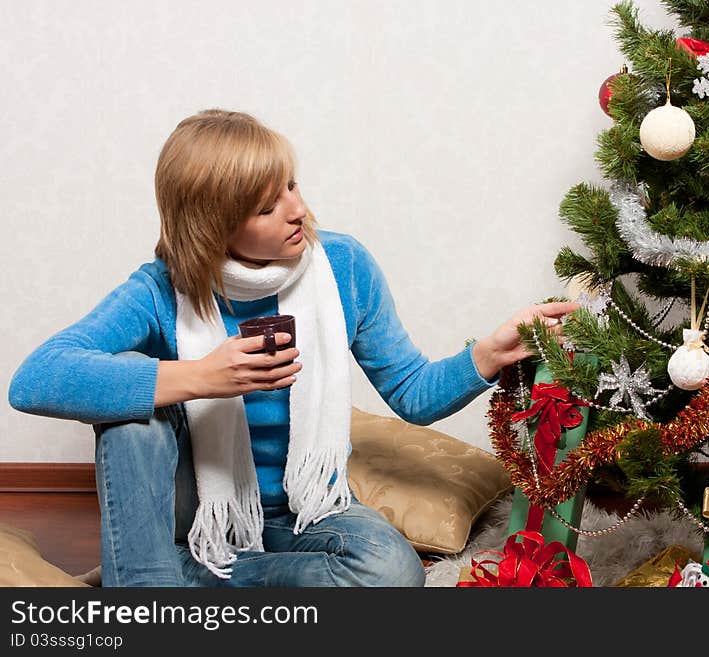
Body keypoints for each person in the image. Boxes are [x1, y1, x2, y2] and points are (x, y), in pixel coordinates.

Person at [7, 109, 577, 587]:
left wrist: (489, 354)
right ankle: (158, 578)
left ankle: (169, 578)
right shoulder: (162, 288)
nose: (296, 209)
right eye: (264, 207)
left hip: (308, 508)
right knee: (130, 407)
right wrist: (202, 377)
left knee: (392, 572)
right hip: (197, 508)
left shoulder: (343, 268)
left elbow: (411, 392)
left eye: (290, 184)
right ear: (211, 226)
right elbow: (35, 379)